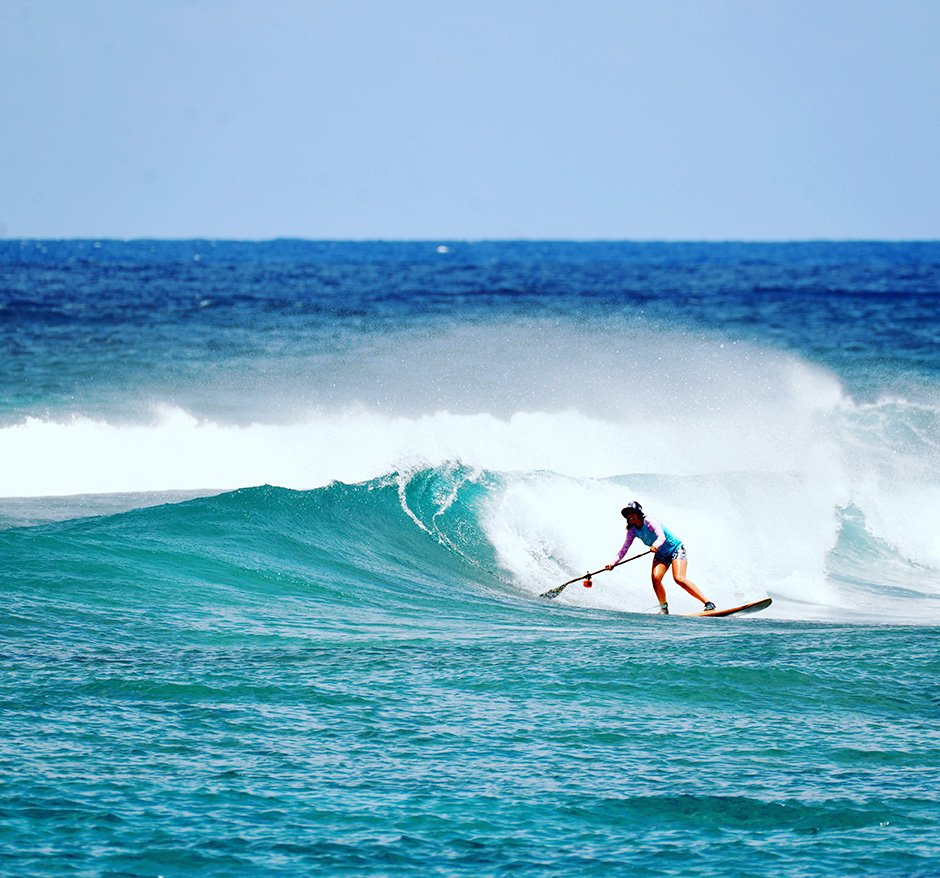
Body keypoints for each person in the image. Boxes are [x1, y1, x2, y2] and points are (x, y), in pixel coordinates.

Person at [606, 501, 715, 615]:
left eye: (632, 512)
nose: (630, 515)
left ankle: (708, 603)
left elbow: (661, 536)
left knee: (679, 579)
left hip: (675, 549)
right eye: (628, 514)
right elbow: (624, 549)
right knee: (655, 578)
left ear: (639, 513)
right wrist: (613, 563)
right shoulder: (632, 531)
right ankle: (664, 608)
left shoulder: (650, 521)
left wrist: (655, 545)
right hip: (661, 553)